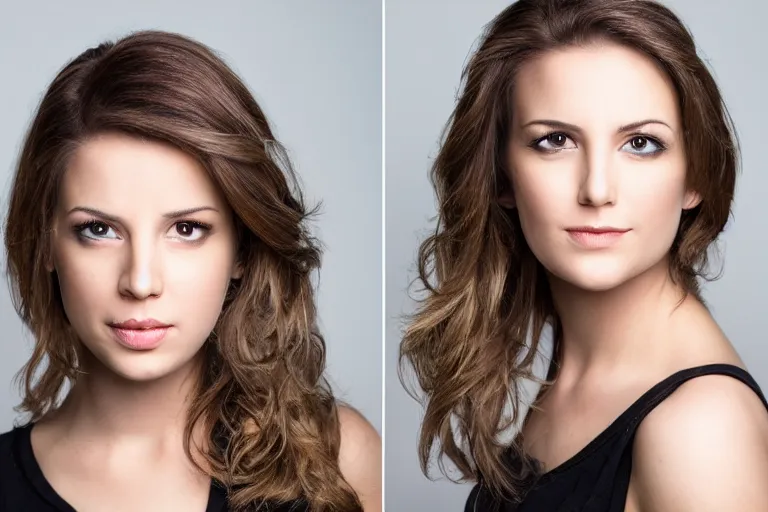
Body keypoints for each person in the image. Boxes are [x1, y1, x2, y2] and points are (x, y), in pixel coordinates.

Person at [399, 0, 768, 510]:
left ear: (696, 174)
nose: (597, 190)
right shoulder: (571, 375)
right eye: (555, 140)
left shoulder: (701, 428)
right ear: (502, 174)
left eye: (641, 143)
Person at [0, 30, 381, 512]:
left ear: (241, 247)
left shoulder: (341, 459)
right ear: (46, 242)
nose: (140, 282)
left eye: (186, 229)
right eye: (98, 229)